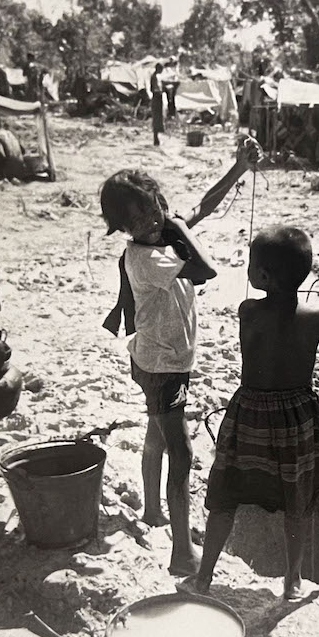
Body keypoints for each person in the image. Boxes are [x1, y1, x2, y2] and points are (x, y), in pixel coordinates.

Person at [178, 226, 319, 601]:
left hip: (249, 412)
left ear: (264, 277)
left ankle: (204, 577)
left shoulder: (248, 310)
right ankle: (292, 581)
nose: (248, 271)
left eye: (252, 266)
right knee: (295, 504)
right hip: (296, 416)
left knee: (225, 497)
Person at [100, 137, 259, 577]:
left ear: (159, 201)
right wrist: (175, 224)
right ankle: (180, 550)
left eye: (153, 208)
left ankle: (152, 510)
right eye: (136, 220)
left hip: (156, 359)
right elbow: (207, 270)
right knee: (182, 452)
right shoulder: (150, 256)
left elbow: (204, 206)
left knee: (155, 431)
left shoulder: (164, 236)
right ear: (123, 229)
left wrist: (238, 168)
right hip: (164, 367)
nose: (150, 221)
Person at [0, 112, 24, 181]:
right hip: (20, 169)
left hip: (9, 172)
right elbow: (22, 150)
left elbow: (1, 156)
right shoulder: (9, 133)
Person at [150, 62, 164, 146]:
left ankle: (157, 138)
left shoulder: (157, 77)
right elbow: (154, 89)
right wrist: (160, 92)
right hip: (156, 98)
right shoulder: (154, 77)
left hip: (158, 98)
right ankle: (156, 139)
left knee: (158, 118)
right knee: (156, 118)